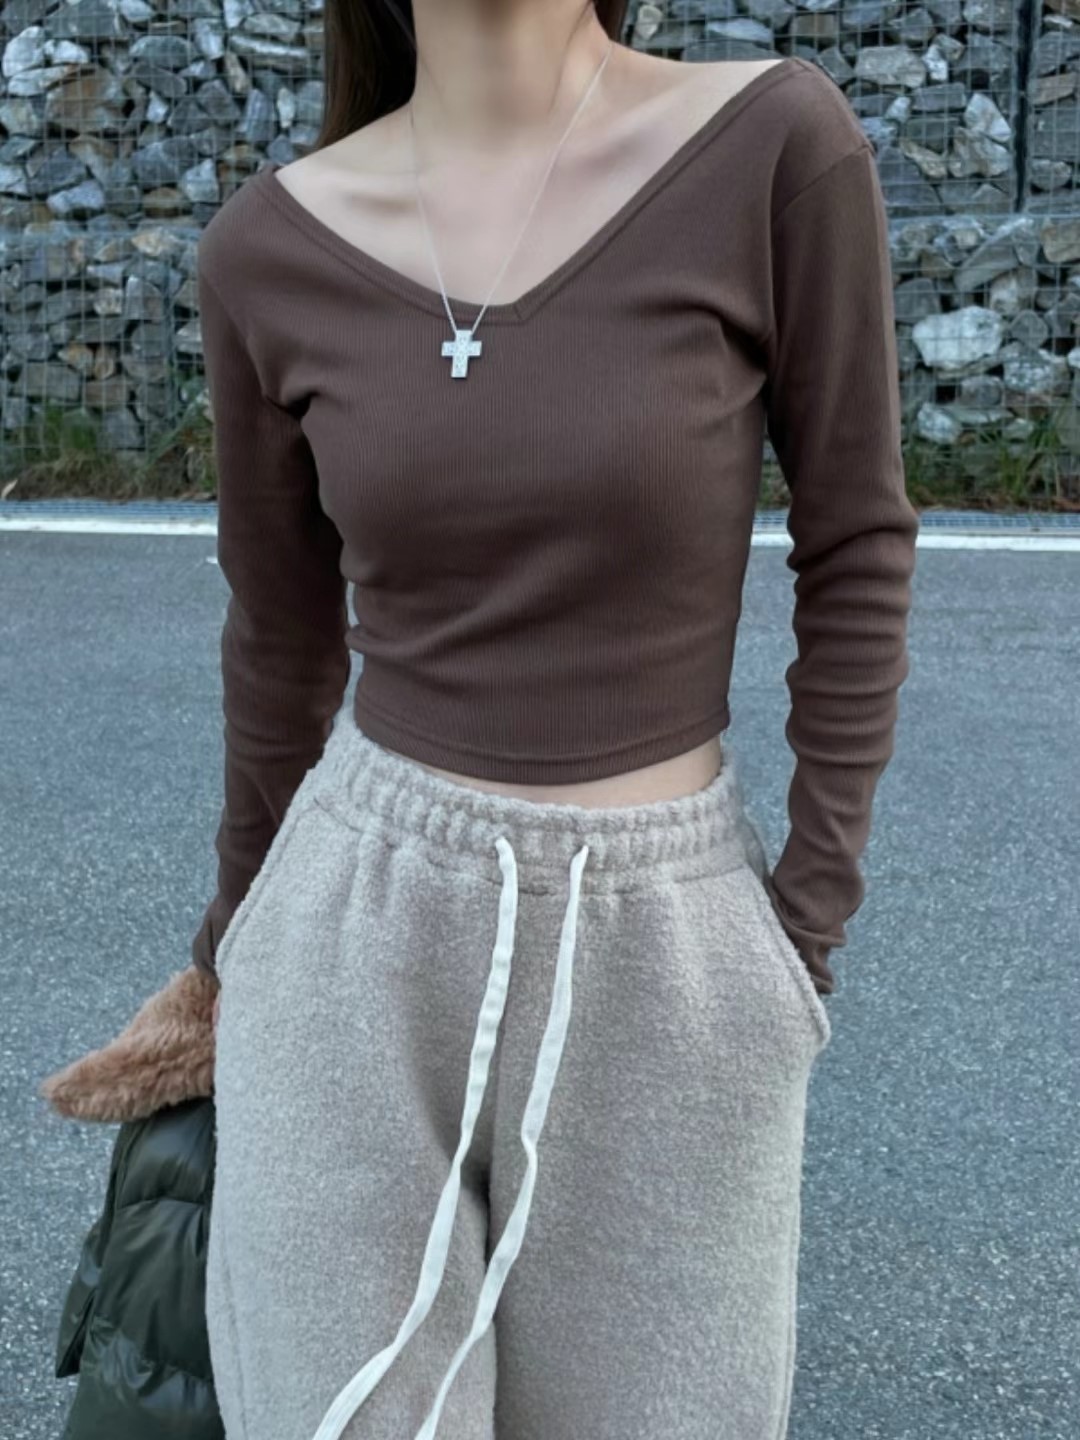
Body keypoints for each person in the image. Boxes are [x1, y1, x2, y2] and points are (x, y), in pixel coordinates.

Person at [193, 1, 919, 1437]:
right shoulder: (266, 249)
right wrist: (228, 957)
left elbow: (857, 540)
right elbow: (279, 643)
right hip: (347, 946)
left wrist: (799, 934)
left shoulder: (773, 149)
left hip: (670, 954)